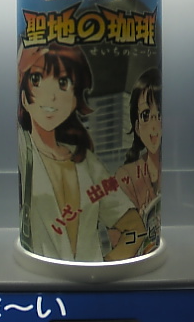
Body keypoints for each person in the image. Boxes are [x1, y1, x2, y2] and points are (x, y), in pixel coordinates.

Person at [18, 43, 145, 262]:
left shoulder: (88, 164)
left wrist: (106, 265)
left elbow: (135, 229)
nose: (51, 96)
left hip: (90, 276)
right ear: (23, 96)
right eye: (37, 79)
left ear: (75, 99)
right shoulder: (23, 149)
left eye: (63, 83)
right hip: (41, 271)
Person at [115, 68, 162, 254]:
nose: (154, 126)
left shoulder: (177, 173)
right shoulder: (126, 178)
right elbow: (118, 243)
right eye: (145, 115)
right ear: (136, 126)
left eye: (160, 114)